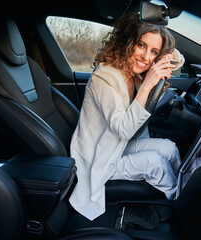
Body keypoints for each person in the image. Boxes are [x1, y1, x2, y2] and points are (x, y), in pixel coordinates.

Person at [69, 12, 184, 221]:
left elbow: (178, 58)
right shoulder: (105, 76)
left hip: (116, 146)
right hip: (97, 156)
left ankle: (185, 186)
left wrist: (166, 56)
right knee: (155, 164)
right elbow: (123, 128)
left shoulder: (132, 72)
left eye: (154, 52)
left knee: (170, 148)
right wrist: (148, 84)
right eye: (141, 45)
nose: (146, 57)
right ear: (127, 43)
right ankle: (179, 207)